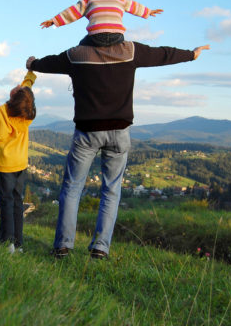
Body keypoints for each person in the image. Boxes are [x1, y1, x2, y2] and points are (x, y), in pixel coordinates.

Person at [26, 41, 210, 258]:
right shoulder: (130, 50)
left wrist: (33, 63)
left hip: (87, 132)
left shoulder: (77, 54)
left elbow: (51, 62)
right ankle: (100, 248)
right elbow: (161, 54)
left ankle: (63, 246)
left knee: (72, 187)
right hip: (119, 131)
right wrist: (191, 53)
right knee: (111, 191)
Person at [0, 71, 37, 253]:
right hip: (21, 164)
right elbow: (26, 89)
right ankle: (18, 243)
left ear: (14, 97)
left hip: (6, 165)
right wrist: (29, 75)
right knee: (17, 202)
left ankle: (7, 242)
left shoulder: (3, 113)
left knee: (6, 202)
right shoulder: (26, 113)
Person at [40, 0, 163, 47]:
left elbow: (72, 12)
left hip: (96, 37)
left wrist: (54, 21)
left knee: (81, 46)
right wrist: (148, 11)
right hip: (117, 37)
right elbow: (134, 6)